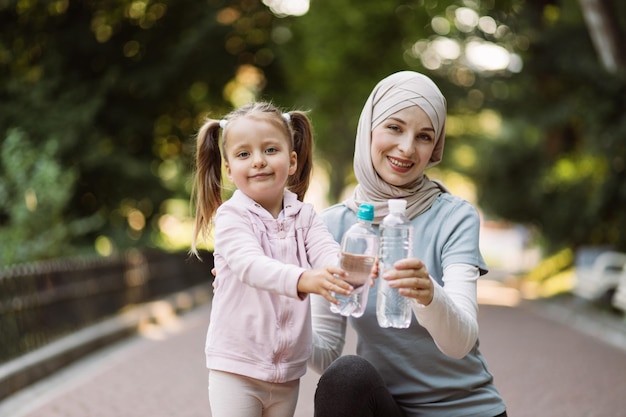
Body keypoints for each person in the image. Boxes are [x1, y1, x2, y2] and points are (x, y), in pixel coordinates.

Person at [309, 71, 508, 417]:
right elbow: (325, 352)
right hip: (389, 410)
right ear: (369, 127)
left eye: (424, 136)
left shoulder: (455, 217)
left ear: (435, 148)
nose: (406, 148)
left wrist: (428, 294)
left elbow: (460, 343)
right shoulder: (334, 225)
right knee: (345, 376)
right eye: (395, 127)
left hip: (467, 411)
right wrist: (266, 312)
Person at [190, 102, 353, 417]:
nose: (259, 161)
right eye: (243, 154)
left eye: (270, 150)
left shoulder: (304, 215)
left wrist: (349, 270)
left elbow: (327, 253)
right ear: (229, 169)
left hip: (287, 374)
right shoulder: (232, 217)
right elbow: (250, 266)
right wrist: (304, 279)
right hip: (236, 369)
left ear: (292, 161)